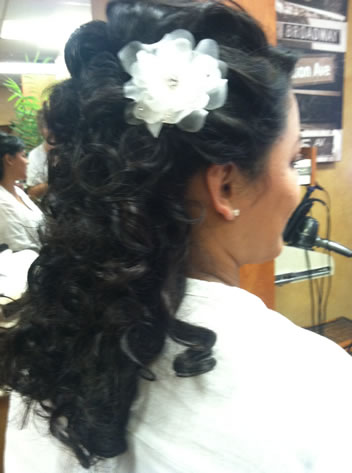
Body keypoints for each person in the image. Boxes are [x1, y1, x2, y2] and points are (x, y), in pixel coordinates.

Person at [1, 1, 352, 472]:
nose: (300, 187)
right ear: (225, 186)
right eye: (291, 161)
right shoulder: (313, 382)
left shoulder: (48, 346)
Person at [0, 132, 43, 252]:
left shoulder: (18, 191)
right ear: (9, 159)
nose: (27, 161)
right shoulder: (2, 204)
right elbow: (19, 248)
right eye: (23, 156)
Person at [26, 109, 52, 201]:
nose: (51, 130)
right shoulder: (34, 155)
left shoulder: (72, 150)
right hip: (48, 209)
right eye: (47, 126)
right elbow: (31, 193)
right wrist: (54, 181)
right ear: (41, 129)